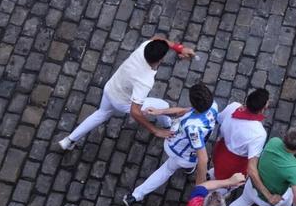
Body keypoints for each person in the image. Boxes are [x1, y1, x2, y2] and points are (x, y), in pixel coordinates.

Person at [57, 35, 195, 149]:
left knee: (101, 113)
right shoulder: (145, 80)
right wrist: (155, 130)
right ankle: (168, 125)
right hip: (122, 102)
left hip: (110, 88)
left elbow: (159, 39)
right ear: (160, 59)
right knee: (162, 105)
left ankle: (69, 140)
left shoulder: (144, 46)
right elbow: (135, 111)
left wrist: (179, 48)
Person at [124, 82, 220, 206]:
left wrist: (199, 190)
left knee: (166, 170)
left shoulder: (192, 128)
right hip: (190, 155)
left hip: (180, 154)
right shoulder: (213, 105)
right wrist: (160, 111)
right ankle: (189, 168)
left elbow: (203, 159)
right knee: (188, 165)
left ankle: (136, 195)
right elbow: (183, 111)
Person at [224, 125, 296, 206]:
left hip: (251, 187)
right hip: (267, 201)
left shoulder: (274, 141)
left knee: (240, 202)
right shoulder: (295, 170)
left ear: (284, 137)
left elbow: (279, 161)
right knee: (290, 194)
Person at [213, 88, 270, 181]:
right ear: (262, 109)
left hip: (220, 149)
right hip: (234, 165)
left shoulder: (233, 106)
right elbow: (252, 163)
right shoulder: (259, 133)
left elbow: (218, 119)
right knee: (226, 184)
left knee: (216, 170)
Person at [183, 173, 247, 206]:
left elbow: (203, 186)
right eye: (219, 200)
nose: (216, 194)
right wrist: (229, 182)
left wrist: (228, 181)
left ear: (202, 203)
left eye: (210, 197)